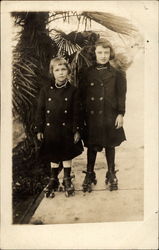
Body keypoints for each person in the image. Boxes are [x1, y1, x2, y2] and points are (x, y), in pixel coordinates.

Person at [79, 38, 127, 192]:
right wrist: (82, 118)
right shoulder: (86, 73)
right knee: (92, 145)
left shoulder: (117, 74)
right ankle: (90, 172)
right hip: (92, 116)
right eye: (100, 52)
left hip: (109, 114)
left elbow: (121, 96)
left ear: (110, 53)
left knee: (110, 144)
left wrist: (120, 114)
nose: (103, 56)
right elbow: (81, 96)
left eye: (106, 52)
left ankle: (111, 172)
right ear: (95, 53)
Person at [35, 57, 83, 197]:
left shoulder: (73, 91)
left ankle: (67, 178)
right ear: (52, 72)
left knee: (67, 152)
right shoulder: (45, 90)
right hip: (50, 128)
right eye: (57, 70)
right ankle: (53, 178)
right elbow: (40, 110)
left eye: (63, 69)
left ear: (68, 71)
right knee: (53, 153)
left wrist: (77, 130)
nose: (61, 73)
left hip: (66, 129)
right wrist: (39, 128)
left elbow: (77, 113)